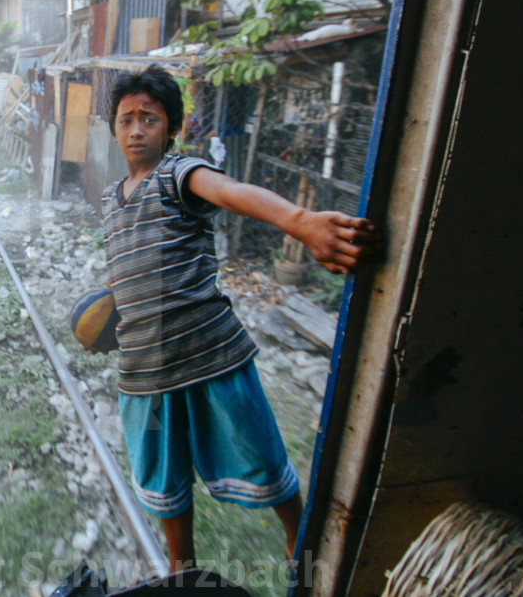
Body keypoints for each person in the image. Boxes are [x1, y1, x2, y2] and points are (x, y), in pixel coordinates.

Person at [99, 65, 378, 572]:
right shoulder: (109, 201)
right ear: (113, 129)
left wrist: (299, 220)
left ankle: (302, 543)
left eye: (150, 119)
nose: (137, 129)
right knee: (164, 479)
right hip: (144, 373)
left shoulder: (179, 172)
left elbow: (231, 192)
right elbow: (124, 272)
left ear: (172, 129)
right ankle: (183, 571)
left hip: (212, 356)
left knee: (260, 452)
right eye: (126, 119)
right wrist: (113, 315)